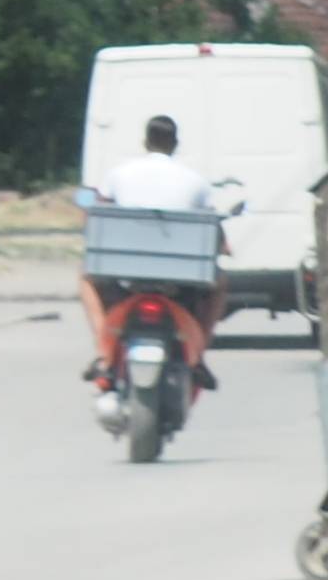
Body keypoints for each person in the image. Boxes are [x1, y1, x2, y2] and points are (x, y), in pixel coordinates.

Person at [78, 110, 225, 385]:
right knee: (220, 283)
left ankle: (102, 353)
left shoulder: (118, 175)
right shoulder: (196, 181)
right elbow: (212, 228)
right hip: (182, 273)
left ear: (145, 142)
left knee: (85, 276)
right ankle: (200, 355)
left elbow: (98, 217)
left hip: (125, 269)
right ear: (175, 144)